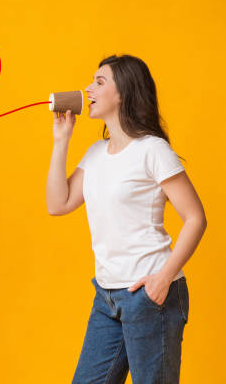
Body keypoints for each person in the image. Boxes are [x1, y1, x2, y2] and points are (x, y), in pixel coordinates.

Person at [46, 55, 207, 384]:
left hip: (148, 296)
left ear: (124, 93)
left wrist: (163, 279)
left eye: (99, 82)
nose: (88, 89)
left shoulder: (153, 150)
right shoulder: (95, 153)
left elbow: (195, 218)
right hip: (106, 296)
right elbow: (57, 203)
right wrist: (61, 141)